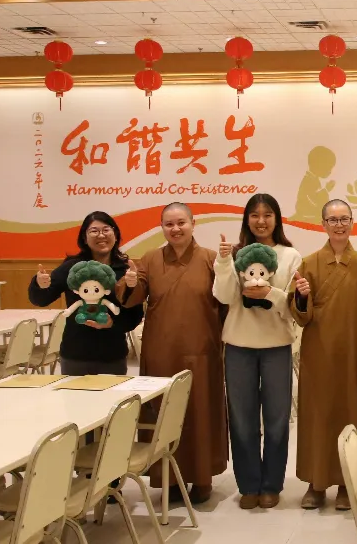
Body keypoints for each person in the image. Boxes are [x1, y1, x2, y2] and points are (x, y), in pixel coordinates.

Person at [116, 202, 227, 505]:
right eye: (169, 224)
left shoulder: (210, 259)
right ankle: (168, 478)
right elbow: (132, 295)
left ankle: (202, 477)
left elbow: (226, 302)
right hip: (161, 351)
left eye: (181, 223)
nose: (175, 229)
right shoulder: (150, 259)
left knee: (200, 413)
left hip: (202, 349)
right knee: (163, 414)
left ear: (193, 224)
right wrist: (129, 283)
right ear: (162, 227)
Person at [290, 199, 357, 510]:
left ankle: (348, 482)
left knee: (350, 417)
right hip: (317, 354)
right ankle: (315, 483)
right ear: (323, 225)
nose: (339, 225)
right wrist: (301, 298)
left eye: (344, 219)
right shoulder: (308, 263)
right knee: (316, 418)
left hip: (351, 354)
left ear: (352, 222)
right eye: (332, 220)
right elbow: (301, 316)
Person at [213, 193, 302, 510]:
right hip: (238, 345)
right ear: (246, 220)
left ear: (277, 219)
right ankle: (249, 485)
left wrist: (271, 293)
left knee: (277, 419)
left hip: (277, 345)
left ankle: (271, 485)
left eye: (267, 215)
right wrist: (224, 262)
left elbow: (292, 307)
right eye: (254, 215)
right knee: (242, 419)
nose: (261, 221)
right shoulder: (235, 254)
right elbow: (225, 297)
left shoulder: (291, 255)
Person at [29, 211, 144, 376]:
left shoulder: (125, 271)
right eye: (94, 231)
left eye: (106, 230)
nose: (101, 235)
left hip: (112, 355)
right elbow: (41, 299)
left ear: (115, 234)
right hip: (76, 354)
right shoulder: (73, 268)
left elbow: (135, 315)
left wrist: (112, 323)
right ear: (84, 237)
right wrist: (39, 284)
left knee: (112, 393)